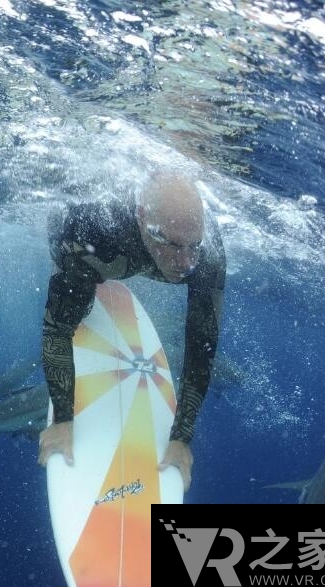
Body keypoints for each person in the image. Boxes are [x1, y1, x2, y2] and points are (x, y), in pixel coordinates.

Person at [36, 170, 226, 492]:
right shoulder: (89, 228)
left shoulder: (206, 254)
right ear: (141, 217)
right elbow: (56, 330)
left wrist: (182, 438)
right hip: (83, 241)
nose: (186, 263)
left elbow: (201, 346)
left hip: (123, 250)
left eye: (193, 246)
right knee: (73, 309)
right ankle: (77, 281)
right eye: (173, 244)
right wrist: (63, 420)